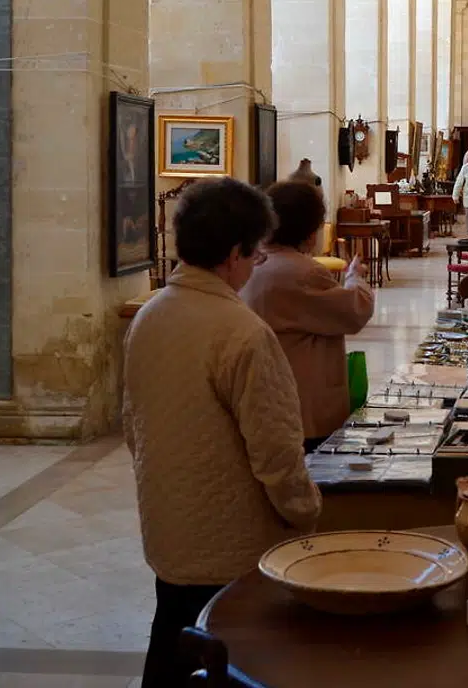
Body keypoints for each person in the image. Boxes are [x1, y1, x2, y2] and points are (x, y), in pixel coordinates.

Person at [122, 177, 321, 688]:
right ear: (233, 254)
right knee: (233, 656)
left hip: (168, 523)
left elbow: (133, 424)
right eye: (255, 255)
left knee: (170, 638)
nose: (257, 266)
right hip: (230, 540)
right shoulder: (241, 331)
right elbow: (275, 451)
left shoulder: (150, 315)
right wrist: (306, 512)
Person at [241, 181, 375, 451]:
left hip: (264, 395)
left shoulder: (250, 264)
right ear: (311, 231)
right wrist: (355, 279)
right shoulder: (303, 272)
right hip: (303, 398)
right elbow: (354, 311)